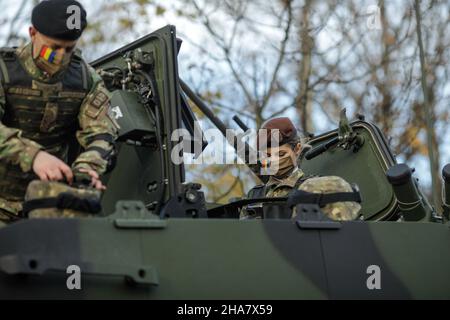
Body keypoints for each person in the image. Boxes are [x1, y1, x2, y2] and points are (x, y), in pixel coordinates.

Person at [0, 0, 119, 222]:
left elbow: (102, 134)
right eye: (53, 48)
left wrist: (87, 167)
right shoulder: (4, 70)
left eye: (69, 49)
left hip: (49, 208)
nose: (61, 56)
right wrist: (34, 156)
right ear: (32, 33)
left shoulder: (86, 80)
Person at [240, 117, 361, 220]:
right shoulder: (254, 196)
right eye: (267, 156)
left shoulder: (317, 189)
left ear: (297, 149)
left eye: (280, 154)